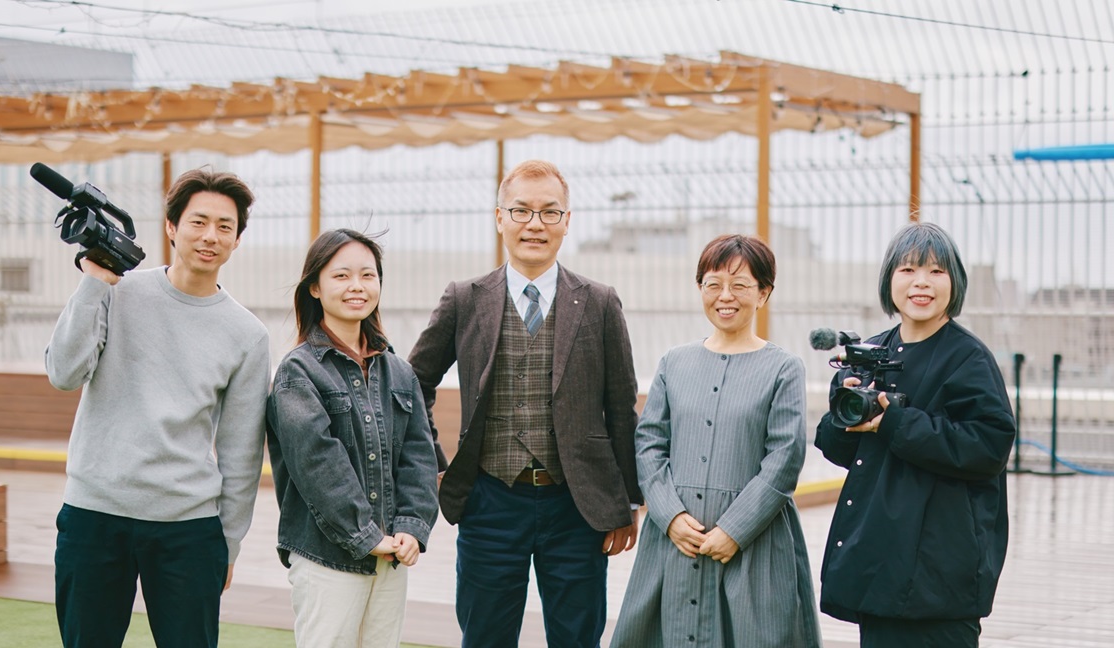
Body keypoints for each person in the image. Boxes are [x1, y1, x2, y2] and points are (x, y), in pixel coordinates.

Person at [407, 159, 641, 648]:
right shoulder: (464, 299)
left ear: (567, 222)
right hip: (490, 501)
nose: (535, 224)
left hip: (578, 506)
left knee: (578, 639)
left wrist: (628, 501)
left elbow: (621, 407)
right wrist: (437, 463)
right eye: (521, 211)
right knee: (485, 637)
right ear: (500, 218)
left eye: (549, 212)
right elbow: (411, 386)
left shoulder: (600, 302)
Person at [44, 168, 269, 648]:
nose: (210, 236)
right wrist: (93, 282)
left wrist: (228, 543)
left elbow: (242, 452)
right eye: (198, 222)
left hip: (189, 529)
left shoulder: (248, 335)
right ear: (171, 226)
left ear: (237, 240)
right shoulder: (116, 289)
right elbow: (63, 374)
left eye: (224, 227)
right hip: (94, 514)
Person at [611, 234, 822, 648]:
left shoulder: (783, 368)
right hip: (675, 541)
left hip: (754, 545)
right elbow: (650, 443)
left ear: (763, 293)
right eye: (713, 284)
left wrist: (734, 529)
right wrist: (670, 516)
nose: (725, 296)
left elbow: (785, 458)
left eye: (740, 285)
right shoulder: (674, 362)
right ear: (700, 289)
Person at [815, 221, 1016, 648]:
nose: (921, 282)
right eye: (907, 270)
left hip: (939, 575)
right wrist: (845, 411)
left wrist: (894, 423)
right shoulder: (873, 351)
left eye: (935, 271)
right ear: (889, 281)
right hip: (880, 564)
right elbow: (837, 448)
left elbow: (989, 446)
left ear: (954, 282)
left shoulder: (968, 358)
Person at [265, 228, 439, 648]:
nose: (357, 286)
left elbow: (419, 456)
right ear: (315, 287)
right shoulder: (298, 372)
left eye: (368, 275)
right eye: (341, 276)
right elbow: (317, 463)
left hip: (390, 556)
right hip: (327, 558)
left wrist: (411, 528)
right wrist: (366, 535)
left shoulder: (399, 371)